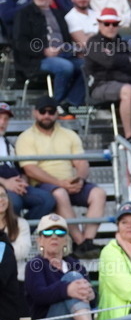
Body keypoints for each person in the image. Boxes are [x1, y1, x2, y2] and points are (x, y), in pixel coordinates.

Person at [15, 98, 106, 258]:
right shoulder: (26, 137)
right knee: (59, 193)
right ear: (35, 113)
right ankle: (79, 242)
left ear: (57, 113)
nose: (47, 115)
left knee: (99, 194)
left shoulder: (69, 134)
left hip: (69, 182)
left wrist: (80, 179)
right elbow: (30, 170)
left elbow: (81, 162)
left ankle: (88, 241)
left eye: (51, 111)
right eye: (43, 111)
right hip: (43, 185)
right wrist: (60, 183)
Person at [13, 0, 85, 110]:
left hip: (63, 53)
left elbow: (66, 39)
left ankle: (70, 103)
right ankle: (55, 105)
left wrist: (74, 51)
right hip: (37, 60)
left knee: (87, 65)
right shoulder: (24, 13)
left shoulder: (58, 14)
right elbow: (19, 43)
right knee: (65, 67)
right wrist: (44, 51)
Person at [84, 7, 131, 144]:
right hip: (101, 85)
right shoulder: (93, 42)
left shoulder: (123, 43)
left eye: (114, 24)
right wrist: (126, 60)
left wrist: (118, 59)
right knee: (128, 90)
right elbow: (109, 62)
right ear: (100, 24)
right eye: (107, 24)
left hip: (124, 82)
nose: (111, 27)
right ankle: (129, 136)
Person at [0, 101, 55, 222]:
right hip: (3, 187)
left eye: (6, 119)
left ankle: (22, 230)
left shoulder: (8, 144)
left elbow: (21, 169)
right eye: (0, 118)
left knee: (47, 200)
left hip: (15, 186)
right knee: (14, 202)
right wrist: (5, 183)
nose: (2, 122)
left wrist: (23, 182)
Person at [0, 181, 30, 266]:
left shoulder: (21, 223)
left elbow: (22, 251)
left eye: (3, 195)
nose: (1, 199)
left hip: (16, 272)